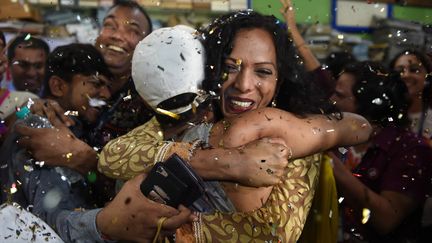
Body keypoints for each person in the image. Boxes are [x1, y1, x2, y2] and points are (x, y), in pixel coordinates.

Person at [100, 11, 371, 242]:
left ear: (281, 78)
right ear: (210, 69)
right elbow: (112, 156)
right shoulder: (195, 112)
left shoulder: (290, 136)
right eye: (230, 67)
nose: (243, 85)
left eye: (263, 71)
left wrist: (172, 230)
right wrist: (221, 162)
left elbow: (272, 234)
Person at [0, 43, 193, 242]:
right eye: (95, 83)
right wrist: (107, 224)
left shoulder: (82, 129)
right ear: (58, 86)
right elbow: (47, 223)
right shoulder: (41, 128)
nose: (105, 95)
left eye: (108, 87)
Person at [329, 61, 432, 242]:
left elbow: (386, 220)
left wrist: (330, 163)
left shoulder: (410, 149)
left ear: (369, 104)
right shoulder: (340, 136)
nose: (331, 101)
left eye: (339, 95)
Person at [389, 49, 432, 139]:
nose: (406, 75)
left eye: (414, 70)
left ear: (427, 77)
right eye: (399, 71)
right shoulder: (383, 119)